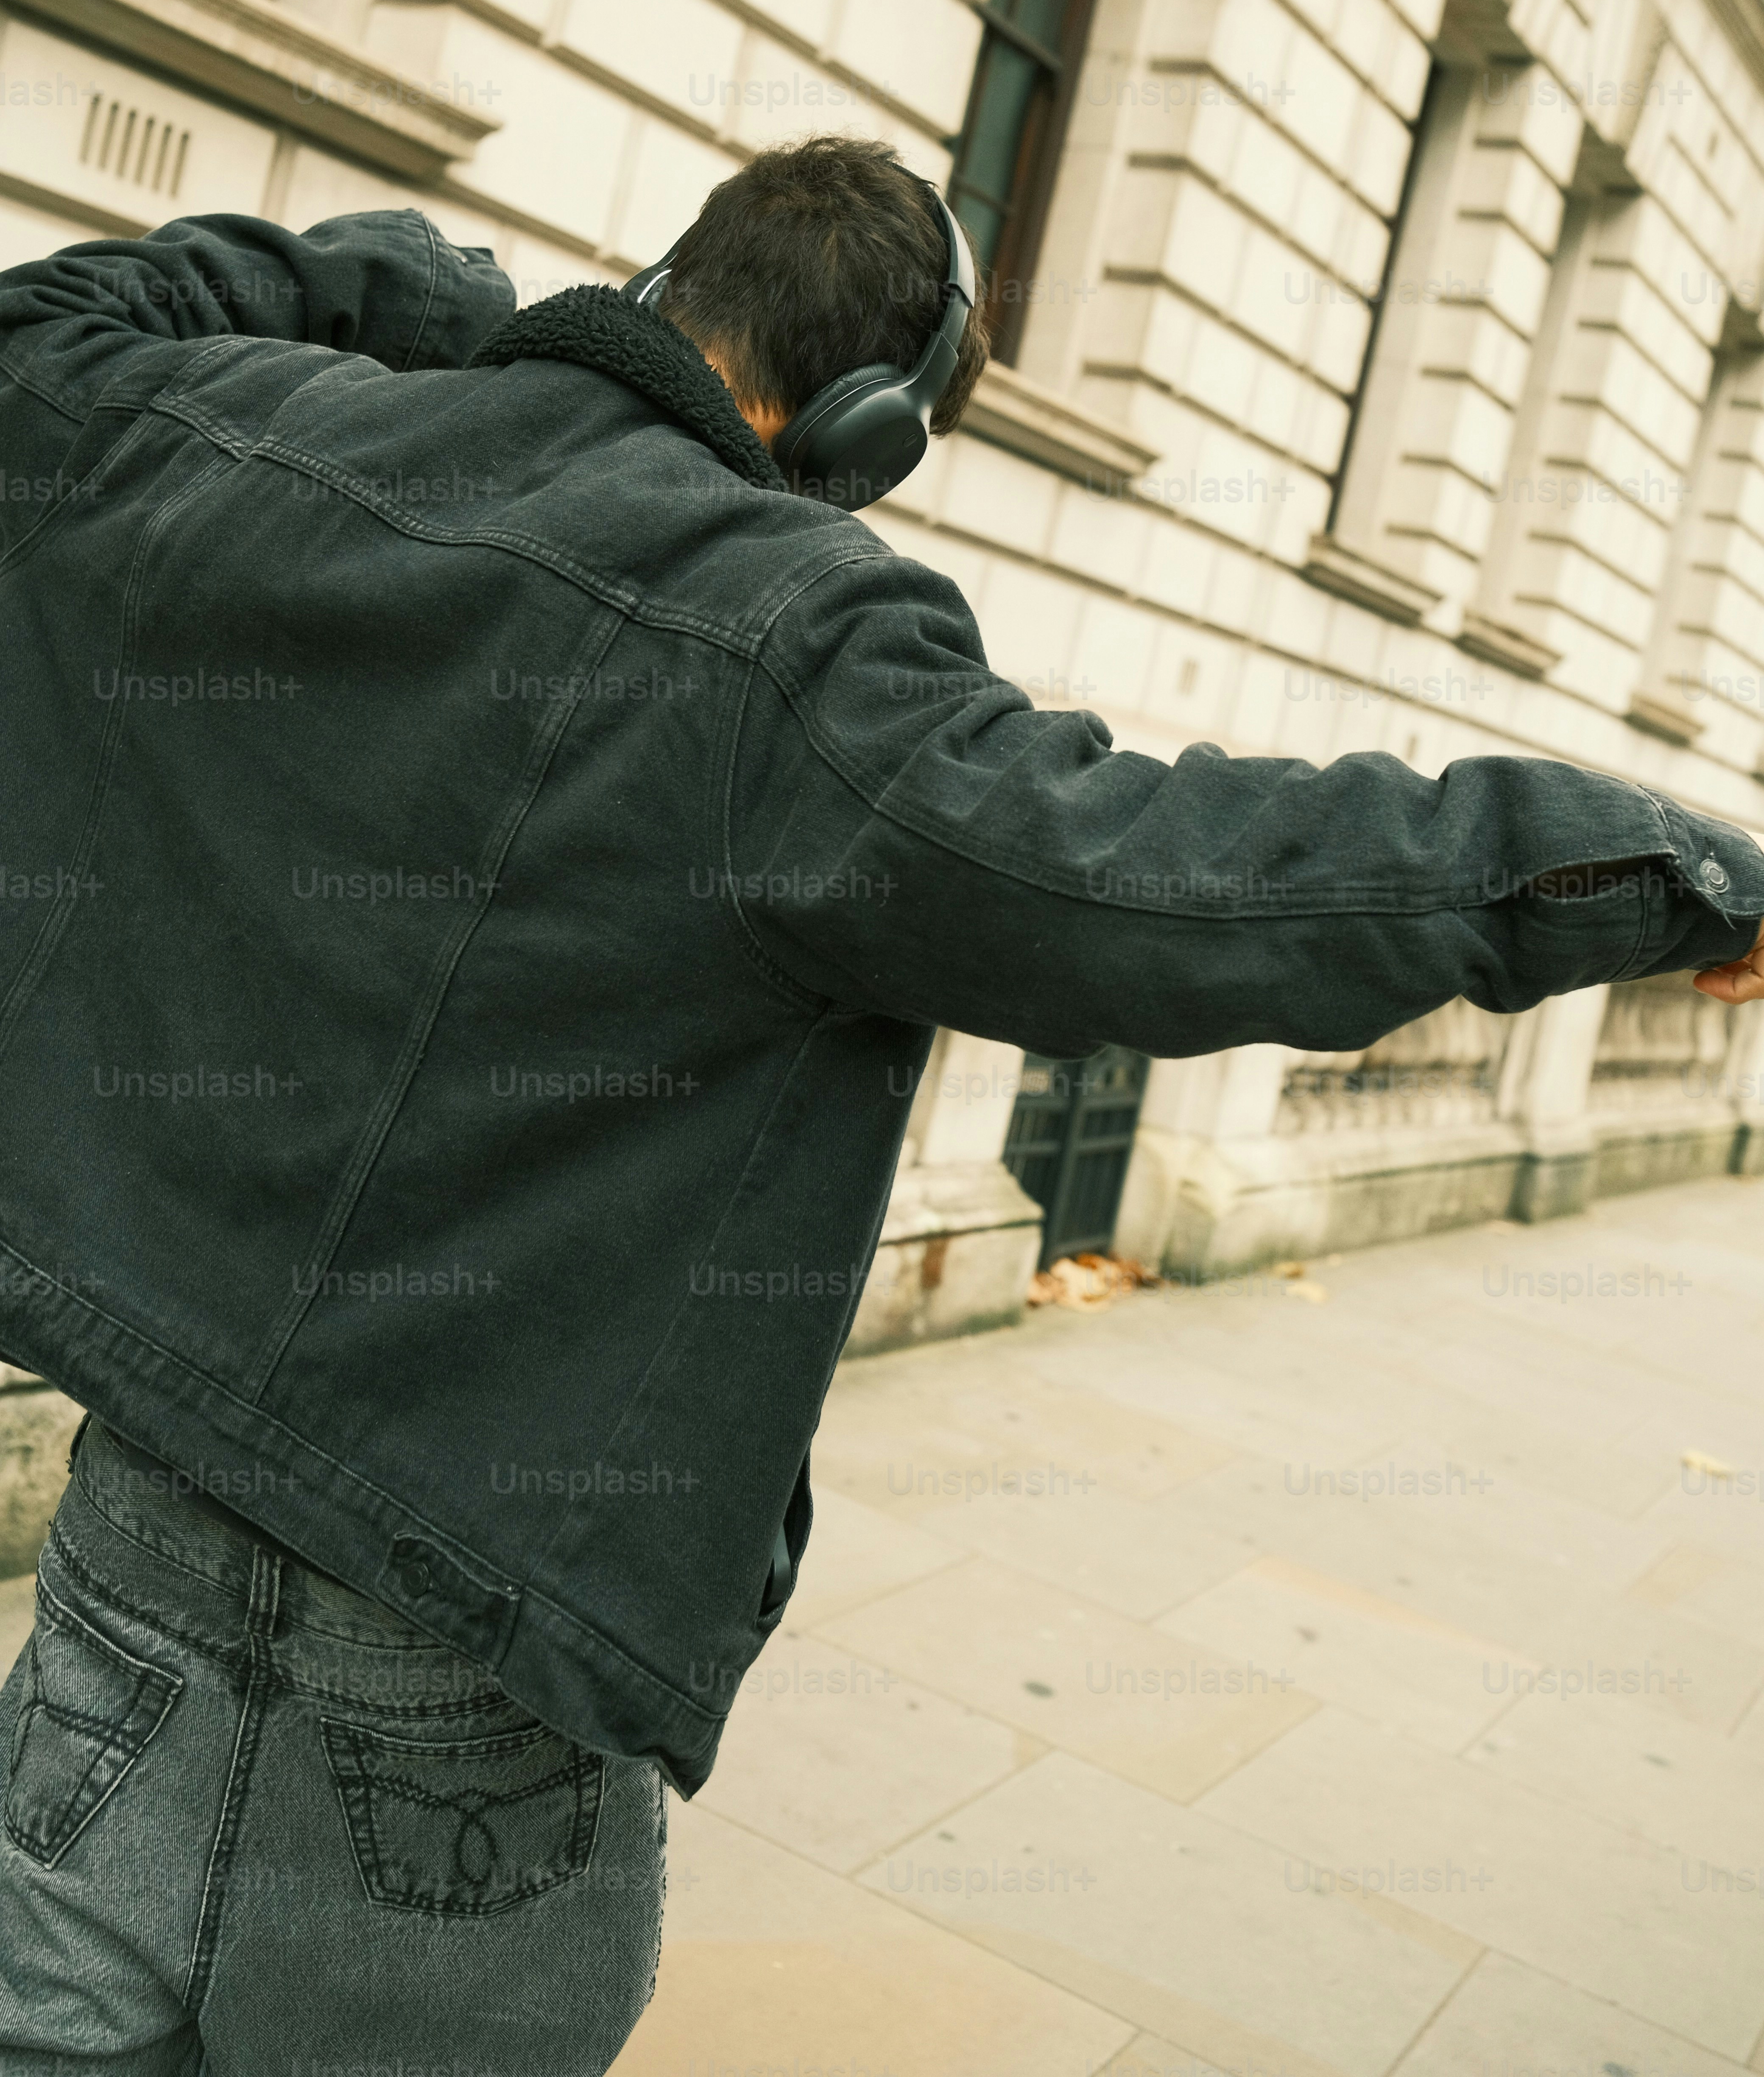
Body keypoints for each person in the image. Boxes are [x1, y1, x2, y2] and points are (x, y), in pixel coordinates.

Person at [0, 133, 1758, 2067]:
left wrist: (407, 289)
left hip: (134, 1537)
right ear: (870, 428)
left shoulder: (240, 435)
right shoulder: (800, 647)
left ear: (672, 285)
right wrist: (1656, 868)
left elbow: (51, 321)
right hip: (467, 1647)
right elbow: (1170, 878)